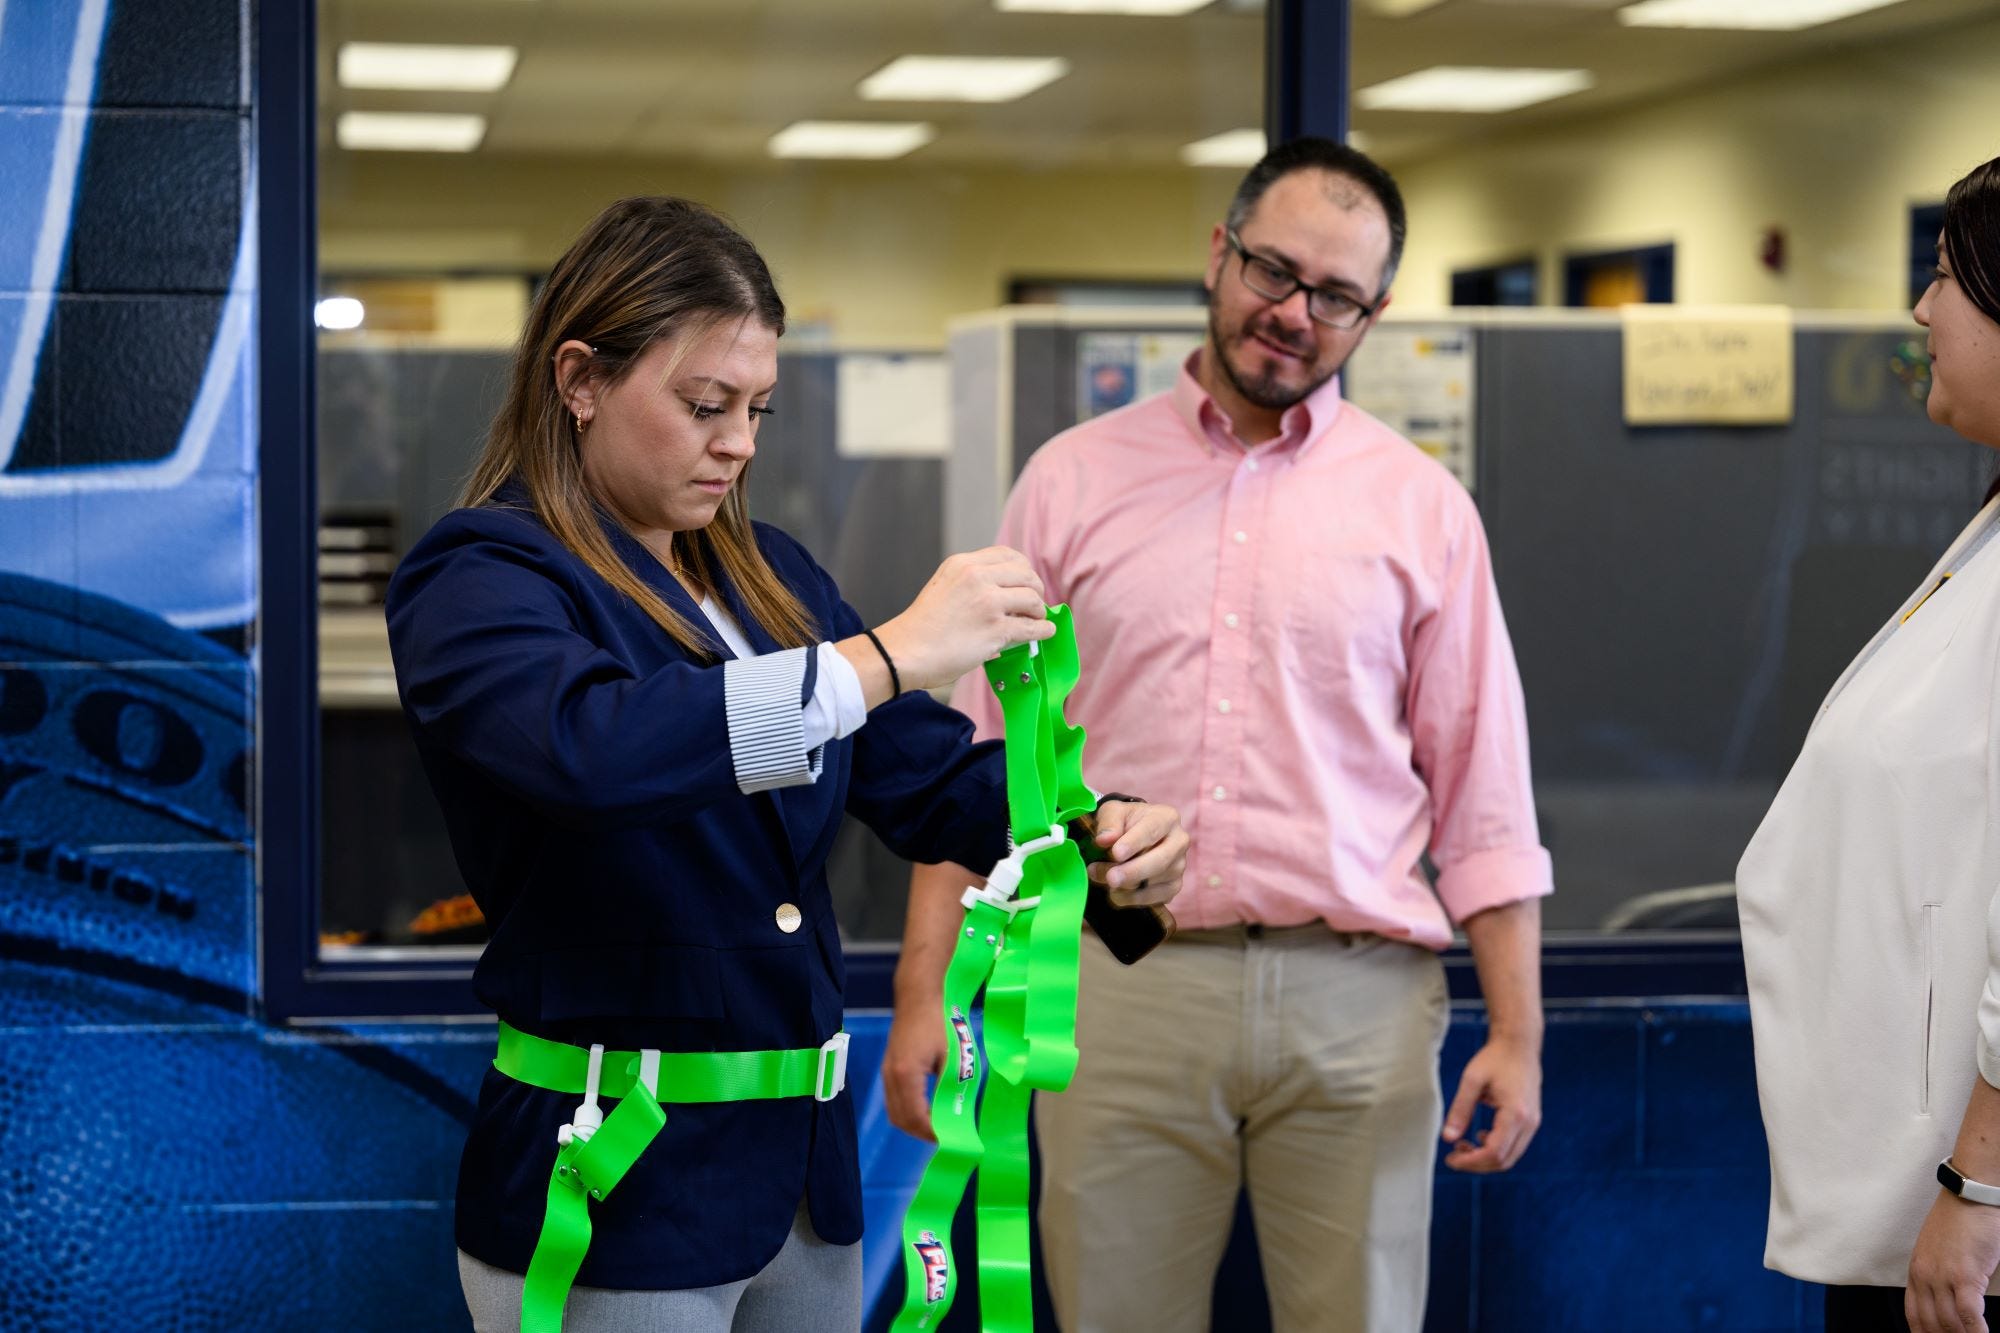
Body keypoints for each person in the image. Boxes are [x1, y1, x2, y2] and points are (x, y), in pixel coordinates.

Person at [384, 196, 1189, 1333]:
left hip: (802, 1193)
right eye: (704, 405)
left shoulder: (772, 575)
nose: (740, 443)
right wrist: (891, 654)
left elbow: (928, 779)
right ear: (579, 379)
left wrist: (1096, 841)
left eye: (757, 408)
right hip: (615, 1185)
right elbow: (601, 751)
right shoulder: (481, 576)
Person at [883, 138, 1551, 1333]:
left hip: (1359, 1009)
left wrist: (1517, 1030)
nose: (1291, 313)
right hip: (1114, 989)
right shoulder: (1070, 483)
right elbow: (975, 765)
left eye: (1334, 296)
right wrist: (924, 990)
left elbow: (1483, 796)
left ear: (1373, 313)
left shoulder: (1422, 509)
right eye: (1271, 270)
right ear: (1217, 254)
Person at [1739, 153, 2000, 1333]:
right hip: (1915, 1196)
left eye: (1941, 277)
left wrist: (1978, 1181)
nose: (1917, 311)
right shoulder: (1986, 531)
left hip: (1967, 1212)